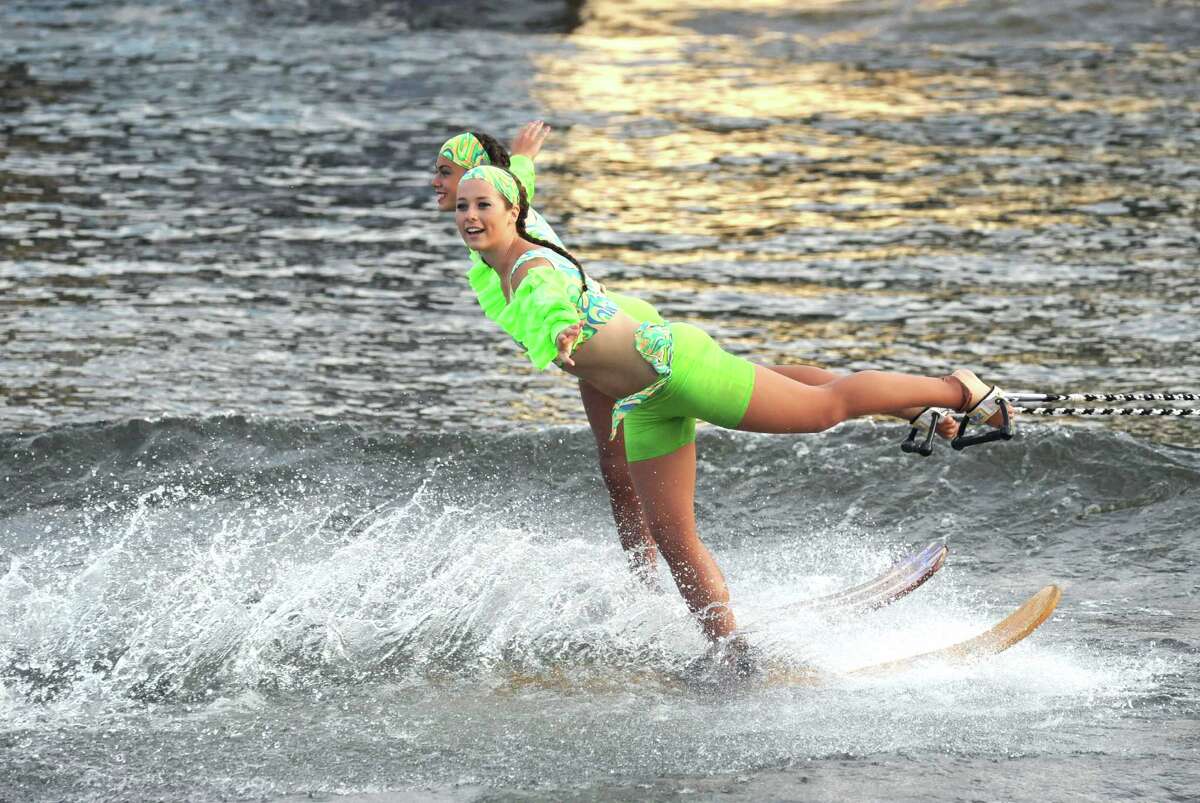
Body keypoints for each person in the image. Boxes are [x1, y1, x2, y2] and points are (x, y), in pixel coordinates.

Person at [453, 164, 1008, 651]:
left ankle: (955, 390)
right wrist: (520, 157)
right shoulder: (498, 259)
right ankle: (727, 651)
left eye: (484, 206)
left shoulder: (529, 268)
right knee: (673, 537)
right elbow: (518, 185)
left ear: (512, 212)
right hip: (643, 402)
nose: (471, 216)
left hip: (676, 365)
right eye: (463, 206)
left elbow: (546, 296)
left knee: (822, 409)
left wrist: (562, 330)